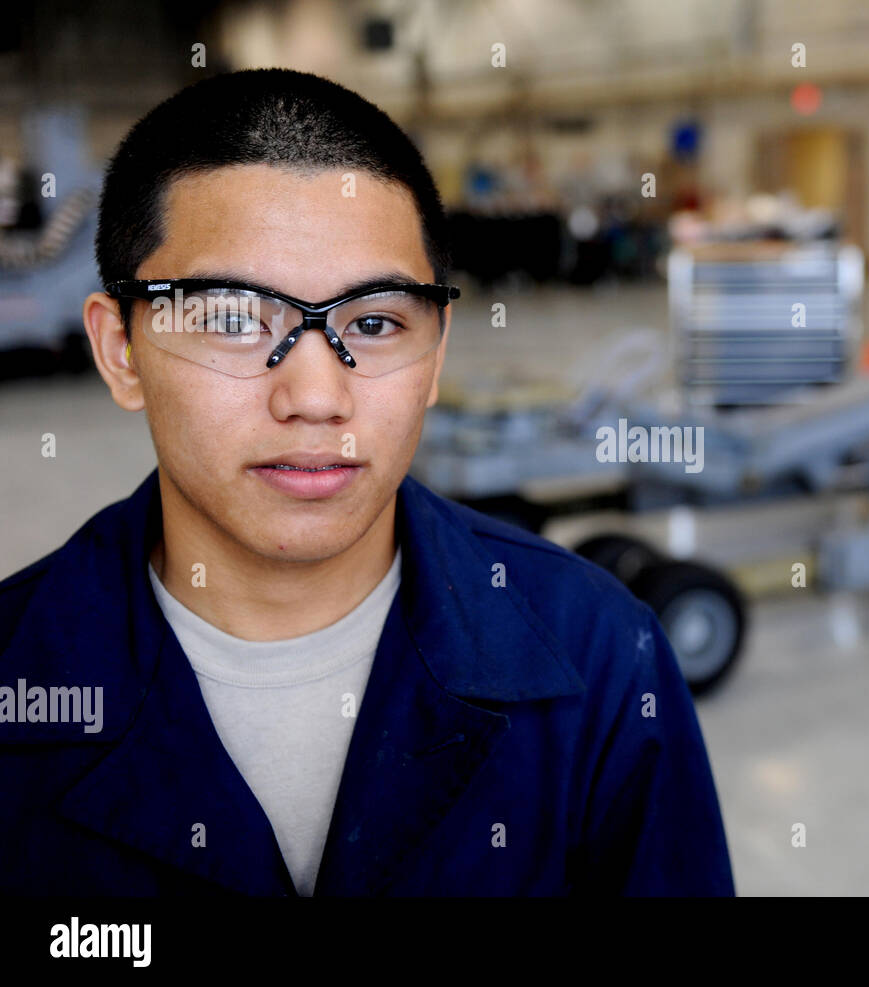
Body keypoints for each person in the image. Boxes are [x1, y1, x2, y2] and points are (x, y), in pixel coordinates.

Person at [0, 69, 734, 897]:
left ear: (436, 354)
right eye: (236, 319)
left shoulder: (600, 659)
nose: (316, 396)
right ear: (120, 349)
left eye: (375, 322)